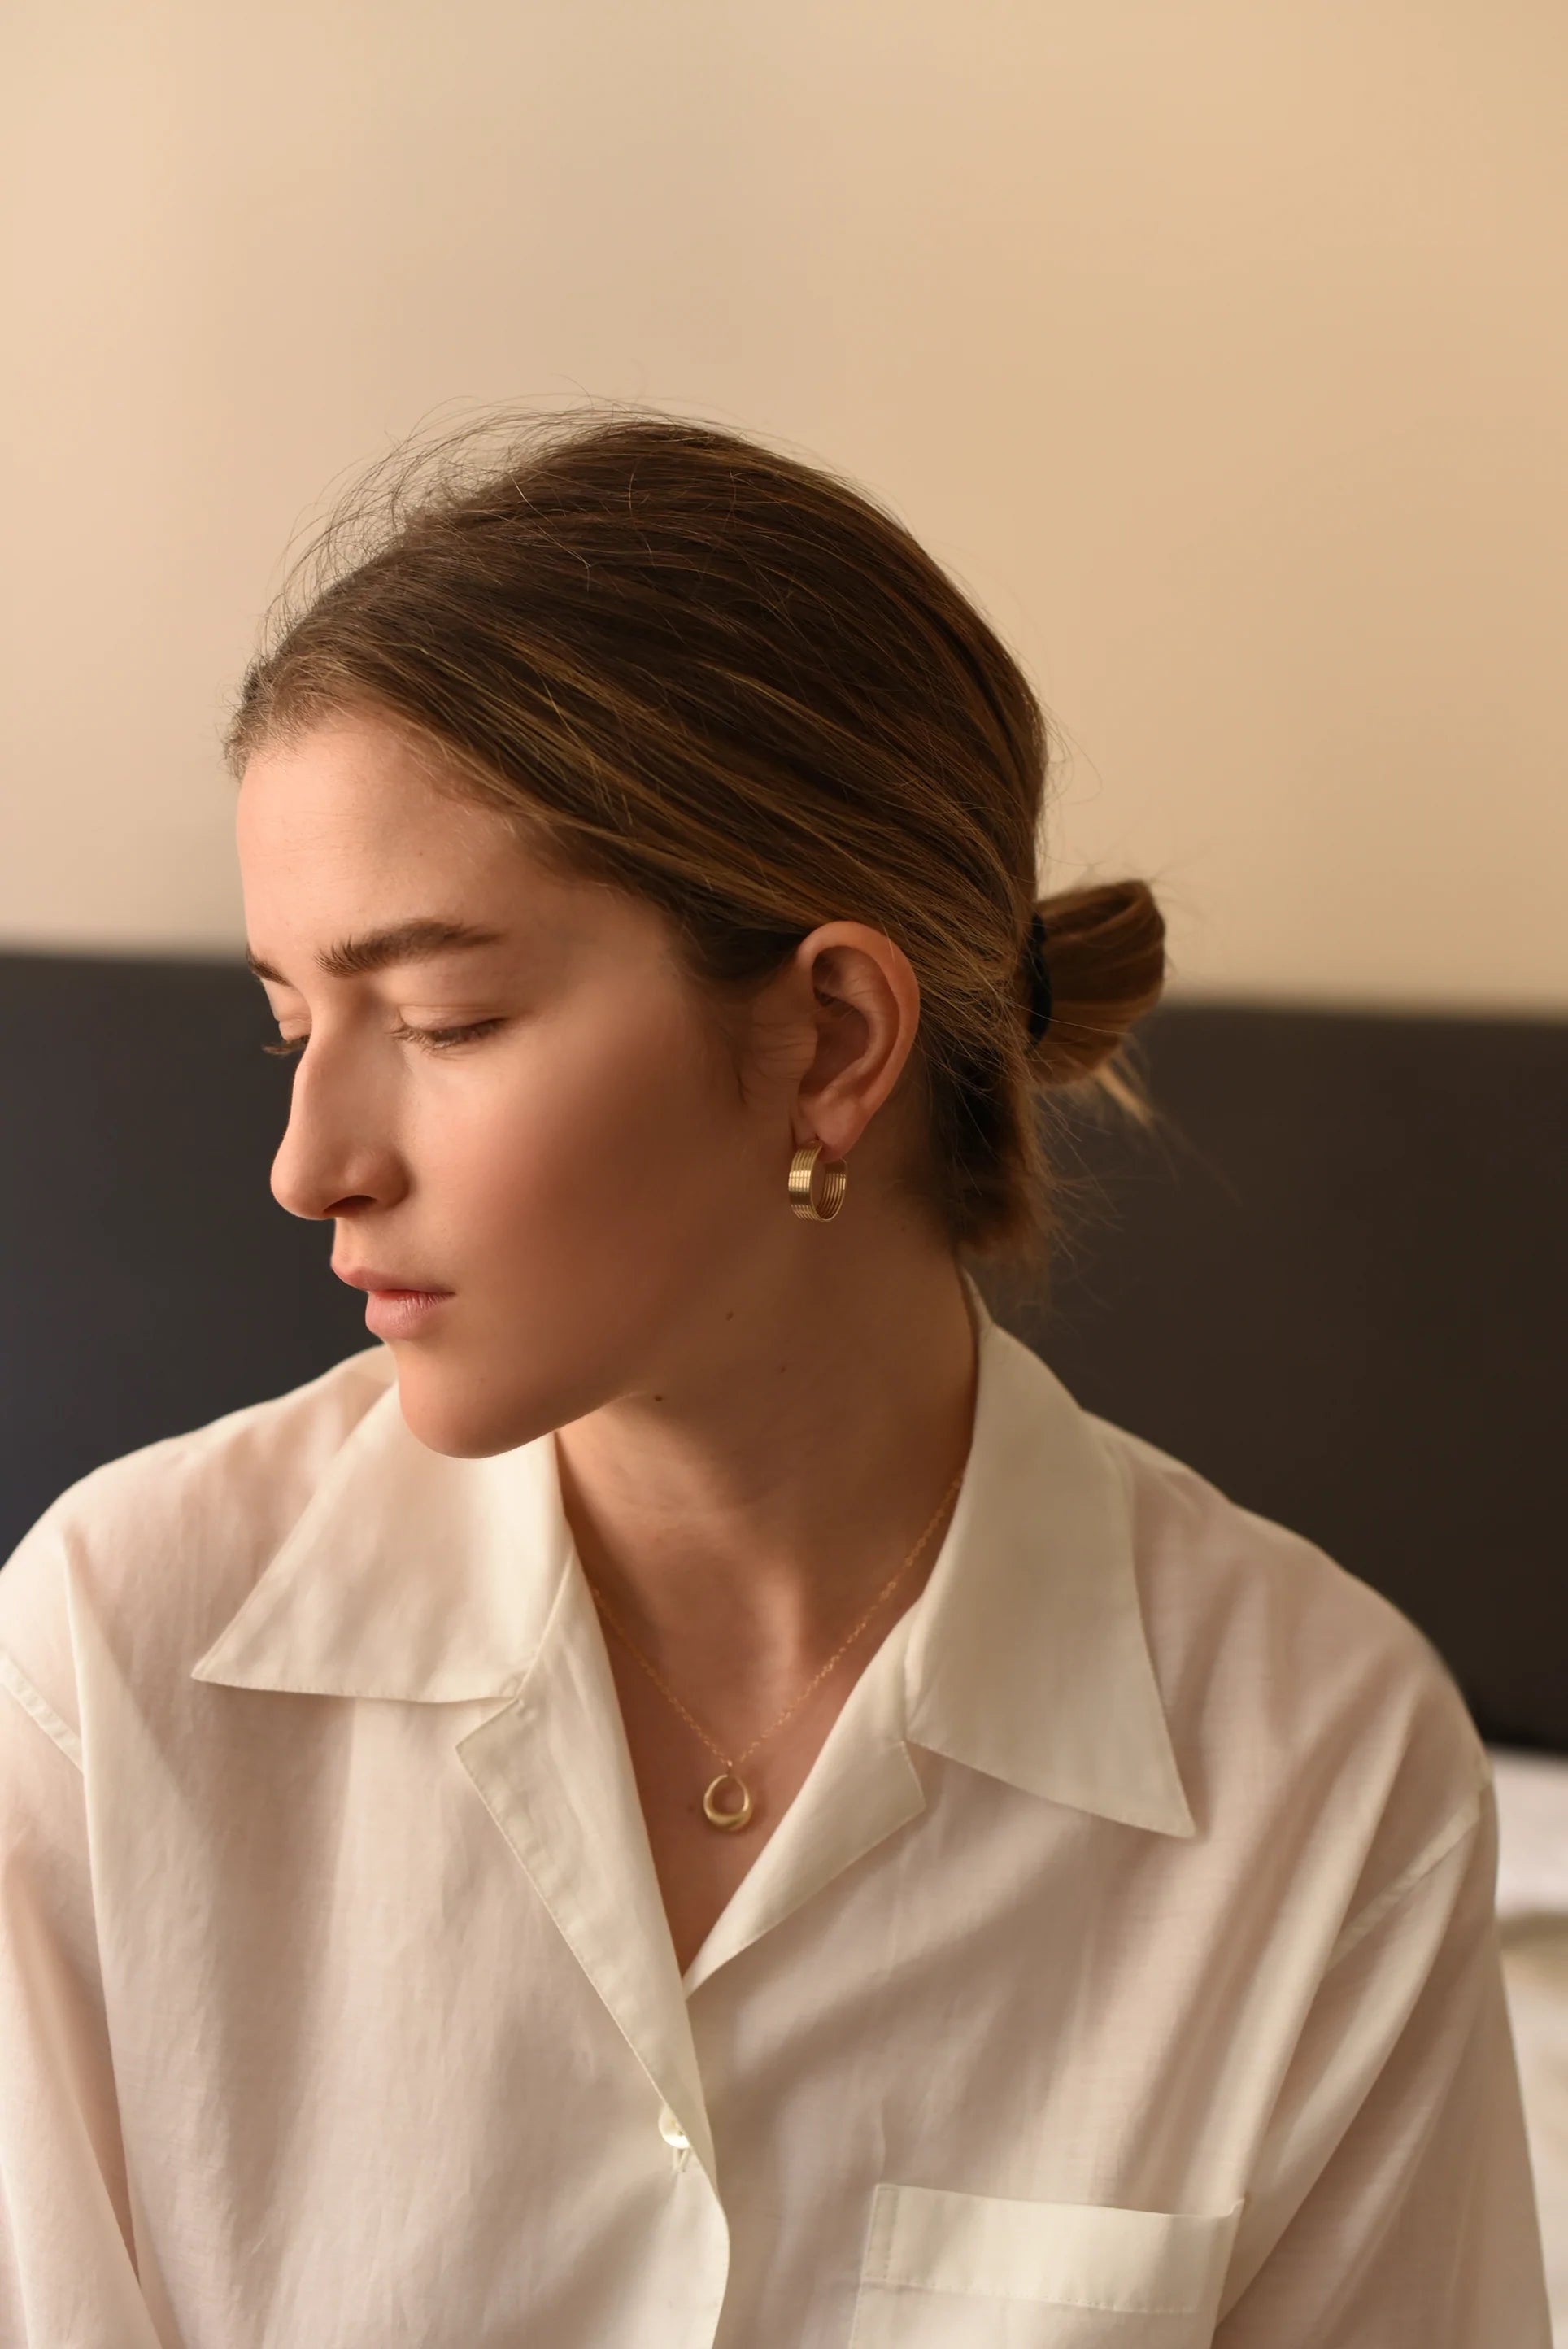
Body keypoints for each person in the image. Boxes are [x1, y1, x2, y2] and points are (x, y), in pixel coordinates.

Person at [0, 411, 1549, 2347]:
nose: (311, 1162)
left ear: (831, 1034)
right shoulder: (114, 1657)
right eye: (293, 1025)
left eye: (444, 1016)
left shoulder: (1320, 1775)